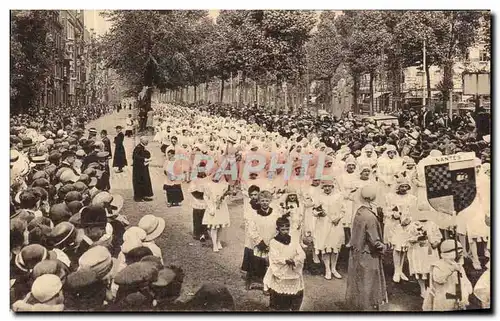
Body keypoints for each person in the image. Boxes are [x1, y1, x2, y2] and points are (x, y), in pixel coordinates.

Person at [346, 184, 388, 311]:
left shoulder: (359, 212)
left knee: (359, 280)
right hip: (368, 253)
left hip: (357, 251)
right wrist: (383, 247)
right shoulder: (370, 217)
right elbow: (375, 240)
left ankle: (359, 306)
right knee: (368, 281)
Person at [263, 216, 306, 311]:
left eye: (287, 229)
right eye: (283, 229)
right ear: (278, 229)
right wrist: (286, 260)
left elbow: (301, 253)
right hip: (281, 270)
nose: (285, 231)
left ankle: (292, 307)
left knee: (296, 291)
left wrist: (296, 260)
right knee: (279, 293)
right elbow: (274, 257)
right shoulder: (274, 242)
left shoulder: (293, 240)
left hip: (293, 269)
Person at [422, 240, 473, 311]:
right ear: (449, 254)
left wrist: (467, 289)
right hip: (444, 297)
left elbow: (463, 279)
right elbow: (439, 279)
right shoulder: (438, 265)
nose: (461, 255)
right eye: (459, 253)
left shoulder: (459, 266)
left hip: (458, 297)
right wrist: (451, 270)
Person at [202, 173, 231, 252]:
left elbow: (227, 195)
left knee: (220, 225)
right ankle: (214, 244)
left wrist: (222, 199)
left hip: (221, 207)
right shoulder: (208, 185)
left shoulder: (224, 185)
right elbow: (205, 196)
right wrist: (210, 207)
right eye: (214, 175)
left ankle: (218, 241)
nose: (216, 177)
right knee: (214, 226)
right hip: (212, 206)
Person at [132, 137, 153, 202]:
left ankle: (144, 195)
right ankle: (138, 197)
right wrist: (144, 159)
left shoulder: (142, 147)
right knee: (139, 181)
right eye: (146, 141)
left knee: (145, 181)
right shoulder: (138, 147)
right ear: (142, 141)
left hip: (143, 167)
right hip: (138, 168)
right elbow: (135, 157)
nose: (147, 142)